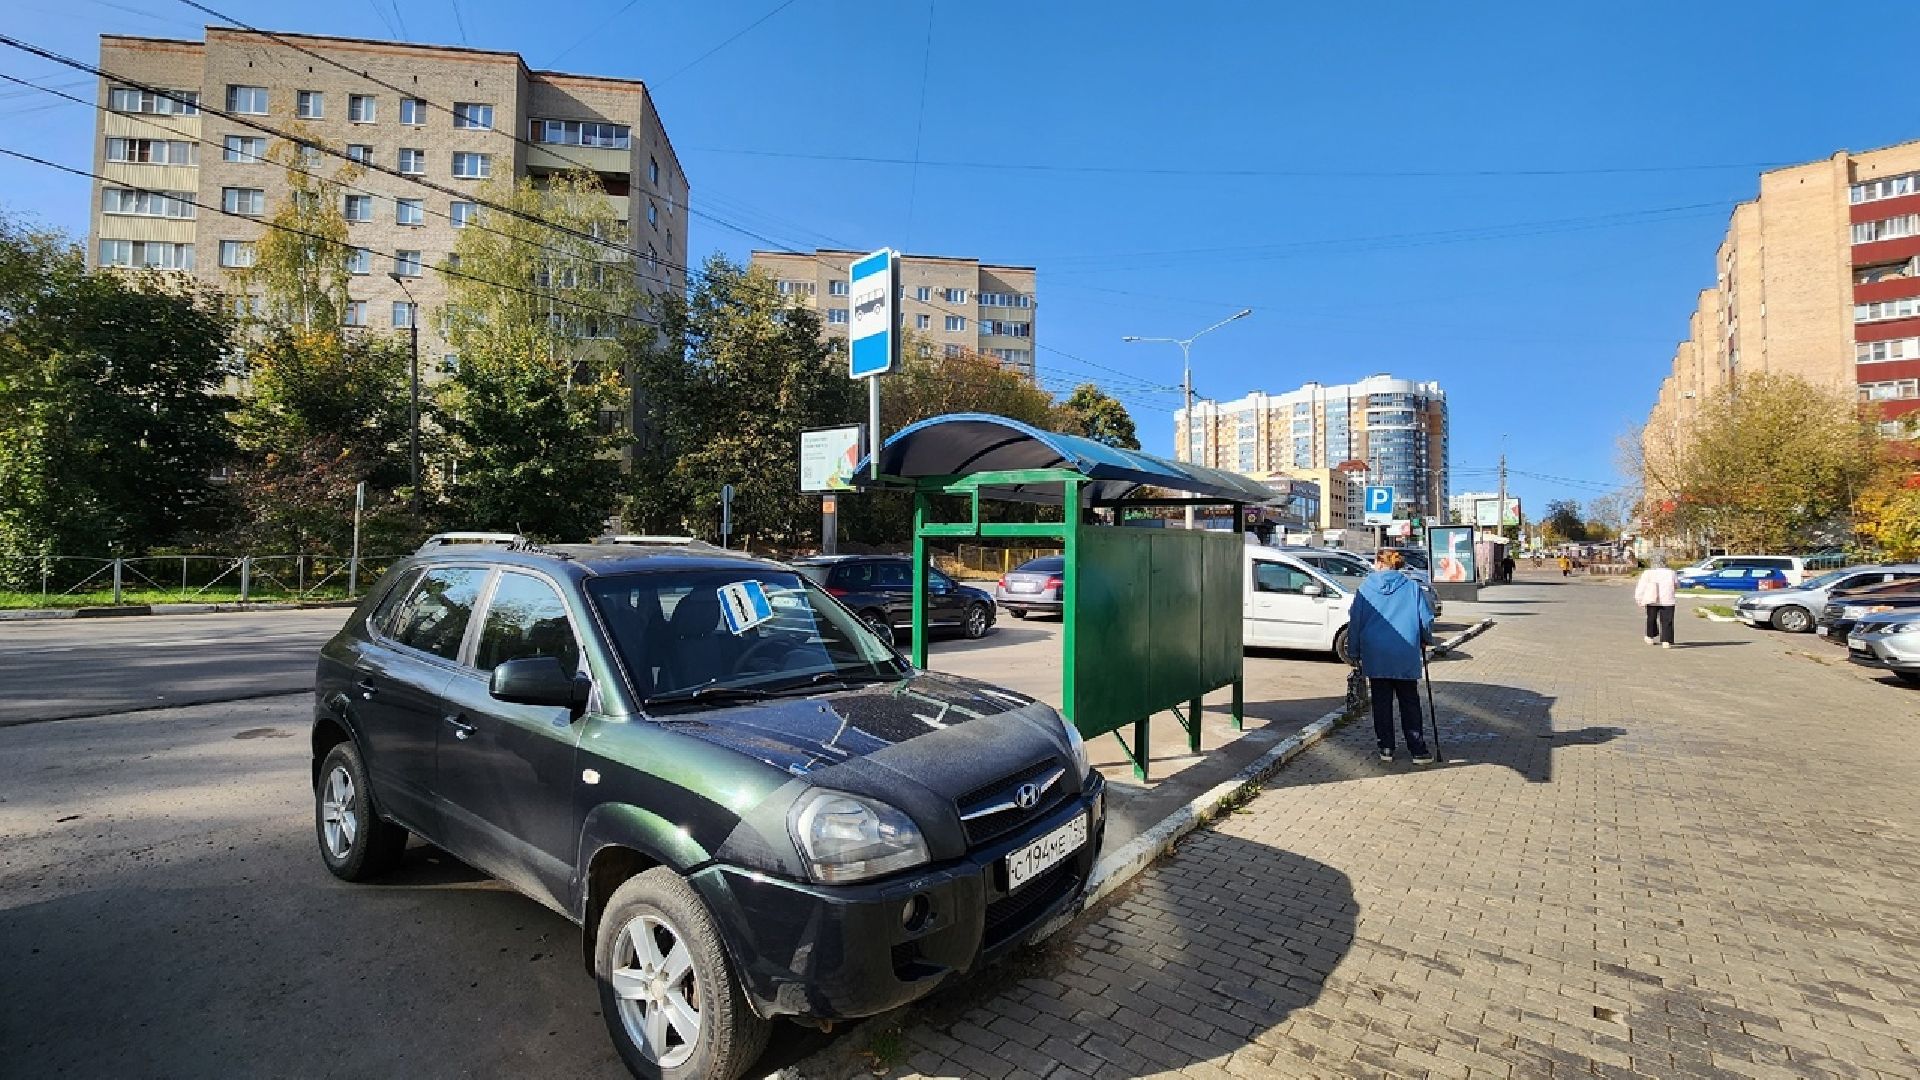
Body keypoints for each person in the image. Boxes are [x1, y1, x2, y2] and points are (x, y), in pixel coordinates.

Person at [1349, 548, 1436, 765]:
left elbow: (1355, 622)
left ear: (1379, 563)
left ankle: (1386, 747)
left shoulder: (1365, 589)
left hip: (1376, 654)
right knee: (1409, 702)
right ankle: (1418, 750)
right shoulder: (1412, 587)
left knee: (1381, 703)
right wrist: (1426, 639)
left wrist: (1354, 652)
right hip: (1404, 653)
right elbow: (1425, 619)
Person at [1635, 553, 1679, 648]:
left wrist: (1638, 598)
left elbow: (1641, 586)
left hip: (1652, 599)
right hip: (1668, 600)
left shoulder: (1648, 573)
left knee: (1651, 618)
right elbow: (1676, 585)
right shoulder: (1671, 572)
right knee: (1667, 620)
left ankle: (1650, 637)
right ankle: (1666, 641)